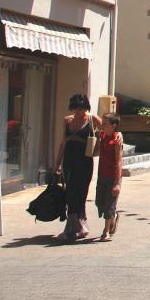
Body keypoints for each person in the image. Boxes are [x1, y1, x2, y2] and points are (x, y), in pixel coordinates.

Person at [53, 93, 101, 242]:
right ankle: (74, 226)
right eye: (75, 108)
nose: (78, 112)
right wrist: (57, 164)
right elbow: (63, 143)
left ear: (86, 107)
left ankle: (80, 224)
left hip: (84, 162)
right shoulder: (67, 121)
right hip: (69, 161)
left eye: (80, 108)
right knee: (70, 193)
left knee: (81, 193)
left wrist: (116, 137)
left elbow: (109, 130)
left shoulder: (92, 119)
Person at [95, 114, 123, 241]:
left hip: (113, 176)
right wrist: (97, 139)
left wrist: (117, 183)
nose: (102, 126)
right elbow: (95, 153)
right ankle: (114, 217)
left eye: (105, 123)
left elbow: (119, 161)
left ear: (113, 126)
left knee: (109, 205)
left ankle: (105, 231)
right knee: (99, 202)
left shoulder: (117, 139)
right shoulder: (102, 136)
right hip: (102, 174)